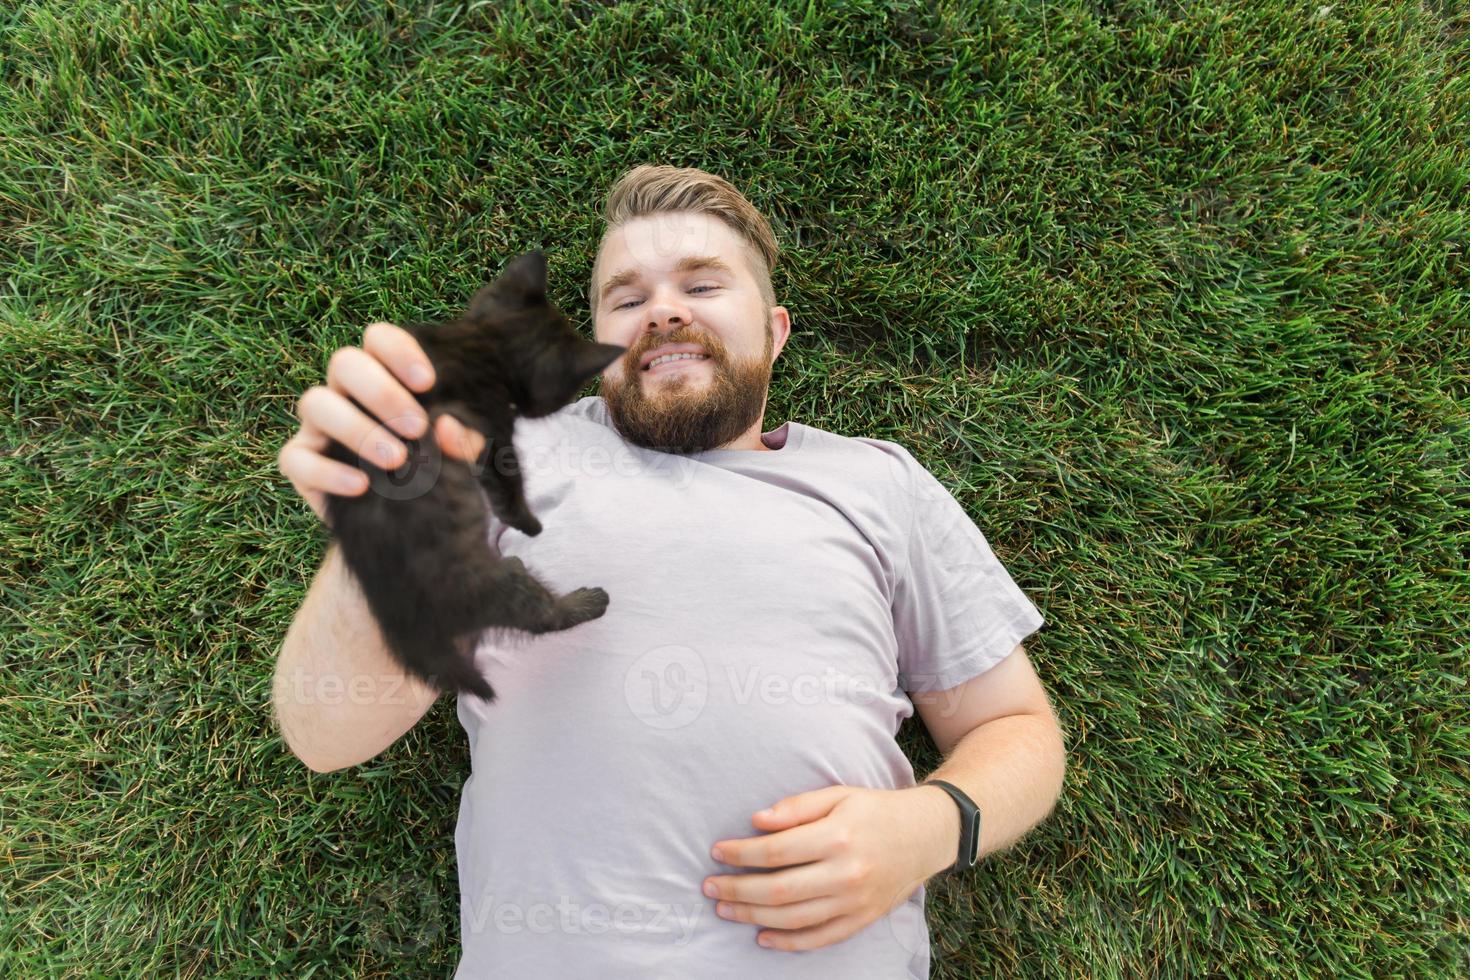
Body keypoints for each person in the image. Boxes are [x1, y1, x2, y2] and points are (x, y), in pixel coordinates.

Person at [273, 164, 1067, 978]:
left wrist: (930, 828)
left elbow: (1016, 729)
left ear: (776, 329)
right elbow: (325, 736)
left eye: (703, 283)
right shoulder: (498, 455)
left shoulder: (878, 484)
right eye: (625, 299)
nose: (663, 309)